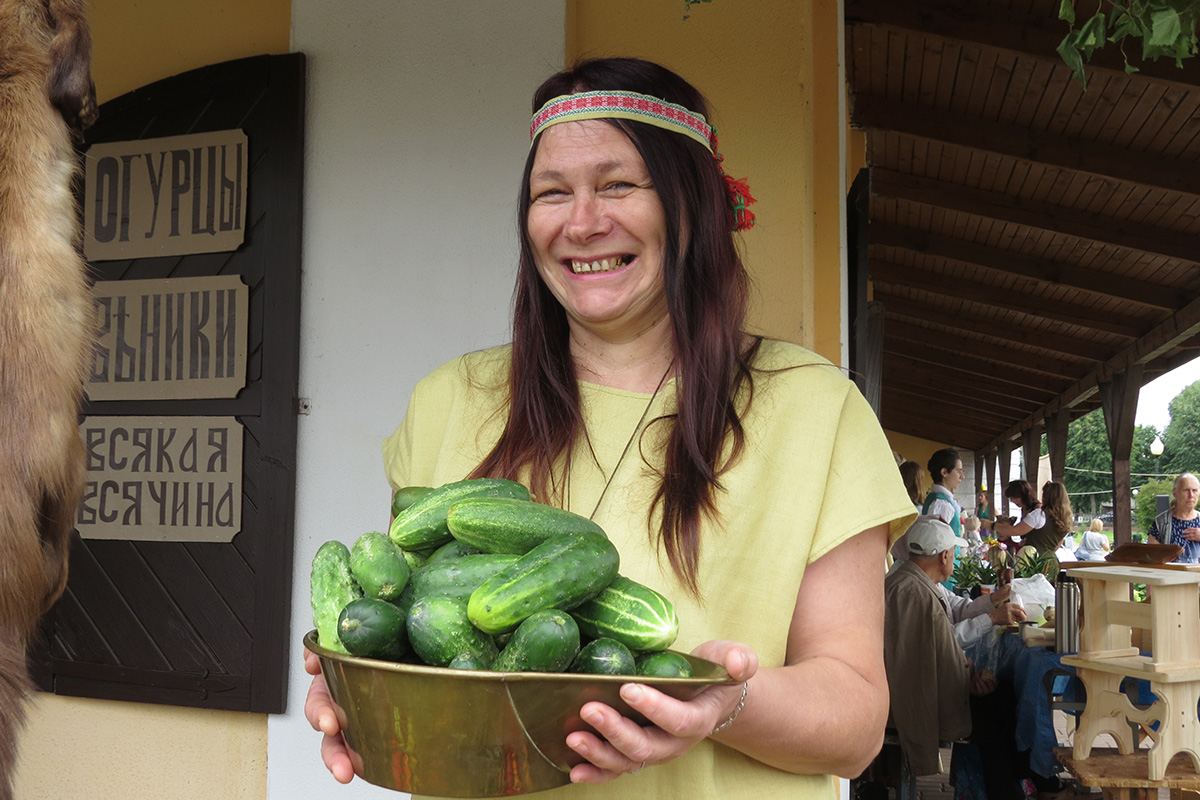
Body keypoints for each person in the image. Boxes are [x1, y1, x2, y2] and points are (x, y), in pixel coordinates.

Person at [303, 57, 916, 799]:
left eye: (618, 185)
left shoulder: (814, 410)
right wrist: (360, 690)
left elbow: (855, 726)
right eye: (551, 193)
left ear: (694, 206)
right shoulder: (449, 400)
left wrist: (726, 704)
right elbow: (414, 625)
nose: (582, 221)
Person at [994, 479, 1063, 553]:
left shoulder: (1037, 509)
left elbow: (1040, 532)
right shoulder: (1024, 508)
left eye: (1016, 498)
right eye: (1012, 498)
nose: (1013, 501)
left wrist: (992, 525)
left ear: (1024, 496)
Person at [1148, 472, 1200, 563]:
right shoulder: (1161, 522)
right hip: (1170, 575)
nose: (1191, 495)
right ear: (1175, 493)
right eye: (1186, 490)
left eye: (1195, 490)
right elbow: (1150, 556)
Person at [922, 449, 965, 535]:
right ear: (944, 472)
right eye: (958, 471)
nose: (962, 476)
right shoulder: (942, 504)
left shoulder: (937, 498)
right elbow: (936, 540)